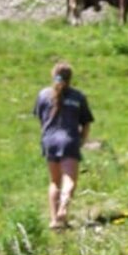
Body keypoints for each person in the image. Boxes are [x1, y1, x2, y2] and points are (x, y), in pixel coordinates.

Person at [32, 61, 94, 229]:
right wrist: (81, 140)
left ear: (53, 75)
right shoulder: (78, 97)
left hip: (49, 140)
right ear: (71, 78)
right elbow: (86, 123)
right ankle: (64, 209)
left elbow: (40, 118)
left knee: (54, 182)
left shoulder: (43, 94)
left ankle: (54, 221)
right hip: (69, 140)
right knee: (70, 179)